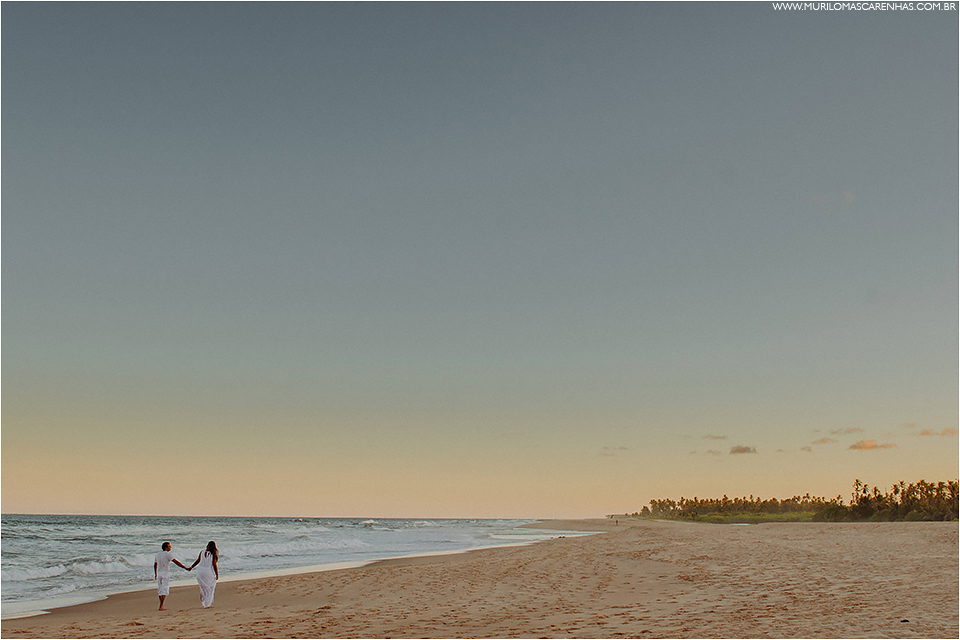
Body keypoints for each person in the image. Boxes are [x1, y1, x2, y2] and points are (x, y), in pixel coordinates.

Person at [153, 542, 189, 610]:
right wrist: (184, 567)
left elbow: (155, 564)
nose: (170, 547)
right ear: (166, 548)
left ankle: (161, 604)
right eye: (169, 546)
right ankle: (161, 606)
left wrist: (155, 573)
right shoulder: (168, 554)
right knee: (165, 589)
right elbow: (176, 562)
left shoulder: (158, 554)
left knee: (160, 589)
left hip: (159, 573)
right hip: (165, 573)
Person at [187, 540, 219, 608]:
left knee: (203, 587)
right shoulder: (213, 553)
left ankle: (203, 602)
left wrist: (191, 567)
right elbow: (214, 565)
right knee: (210, 587)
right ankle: (207, 603)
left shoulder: (202, 552)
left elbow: (198, 560)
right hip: (208, 571)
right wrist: (217, 574)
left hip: (200, 571)